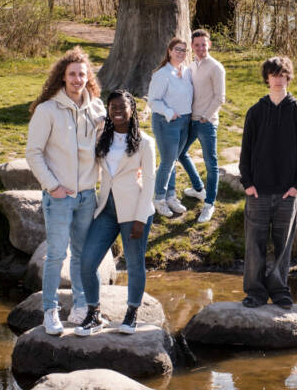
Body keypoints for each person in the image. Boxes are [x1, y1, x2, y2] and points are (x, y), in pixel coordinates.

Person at [25, 46, 106, 336]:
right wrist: (53, 186)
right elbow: (33, 153)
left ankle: (82, 308)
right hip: (59, 196)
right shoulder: (47, 110)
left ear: (88, 77)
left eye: (82, 74)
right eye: (72, 74)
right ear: (62, 77)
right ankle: (50, 311)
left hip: (87, 195)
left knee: (84, 255)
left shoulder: (97, 108)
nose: (77, 79)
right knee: (56, 254)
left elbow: (104, 149)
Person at [76, 90, 155, 336]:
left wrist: (141, 219)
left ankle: (131, 313)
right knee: (87, 263)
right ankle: (94, 314)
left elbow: (150, 181)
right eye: (113, 107)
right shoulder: (103, 137)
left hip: (134, 211)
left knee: (134, 264)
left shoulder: (145, 142)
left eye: (122, 107)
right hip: (106, 210)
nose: (117, 111)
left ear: (132, 109)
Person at [239, 56, 297, 309]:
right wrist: (247, 183)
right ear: (267, 78)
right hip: (257, 191)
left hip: (286, 193)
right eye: (273, 75)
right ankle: (255, 292)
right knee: (254, 245)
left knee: (283, 246)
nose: (278, 79)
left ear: (288, 77)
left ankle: (280, 290)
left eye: (282, 75)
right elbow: (245, 152)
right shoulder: (255, 112)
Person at [173, 29, 226, 223]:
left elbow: (220, 97)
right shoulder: (192, 66)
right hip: (191, 120)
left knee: (211, 163)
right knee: (180, 153)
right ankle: (198, 189)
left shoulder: (216, 67)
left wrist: (205, 117)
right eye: (197, 45)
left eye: (204, 44)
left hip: (206, 122)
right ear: (192, 47)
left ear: (209, 44)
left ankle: (209, 203)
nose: (200, 48)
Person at [148, 37, 193, 218]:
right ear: (169, 51)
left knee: (172, 160)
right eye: (177, 49)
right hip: (167, 122)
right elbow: (153, 101)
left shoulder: (186, 72)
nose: (181, 53)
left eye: (183, 50)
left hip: (185, 121)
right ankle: (159, 199)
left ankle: (171, 196)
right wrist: (169, 112)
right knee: (168, 161)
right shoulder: (162, 74)